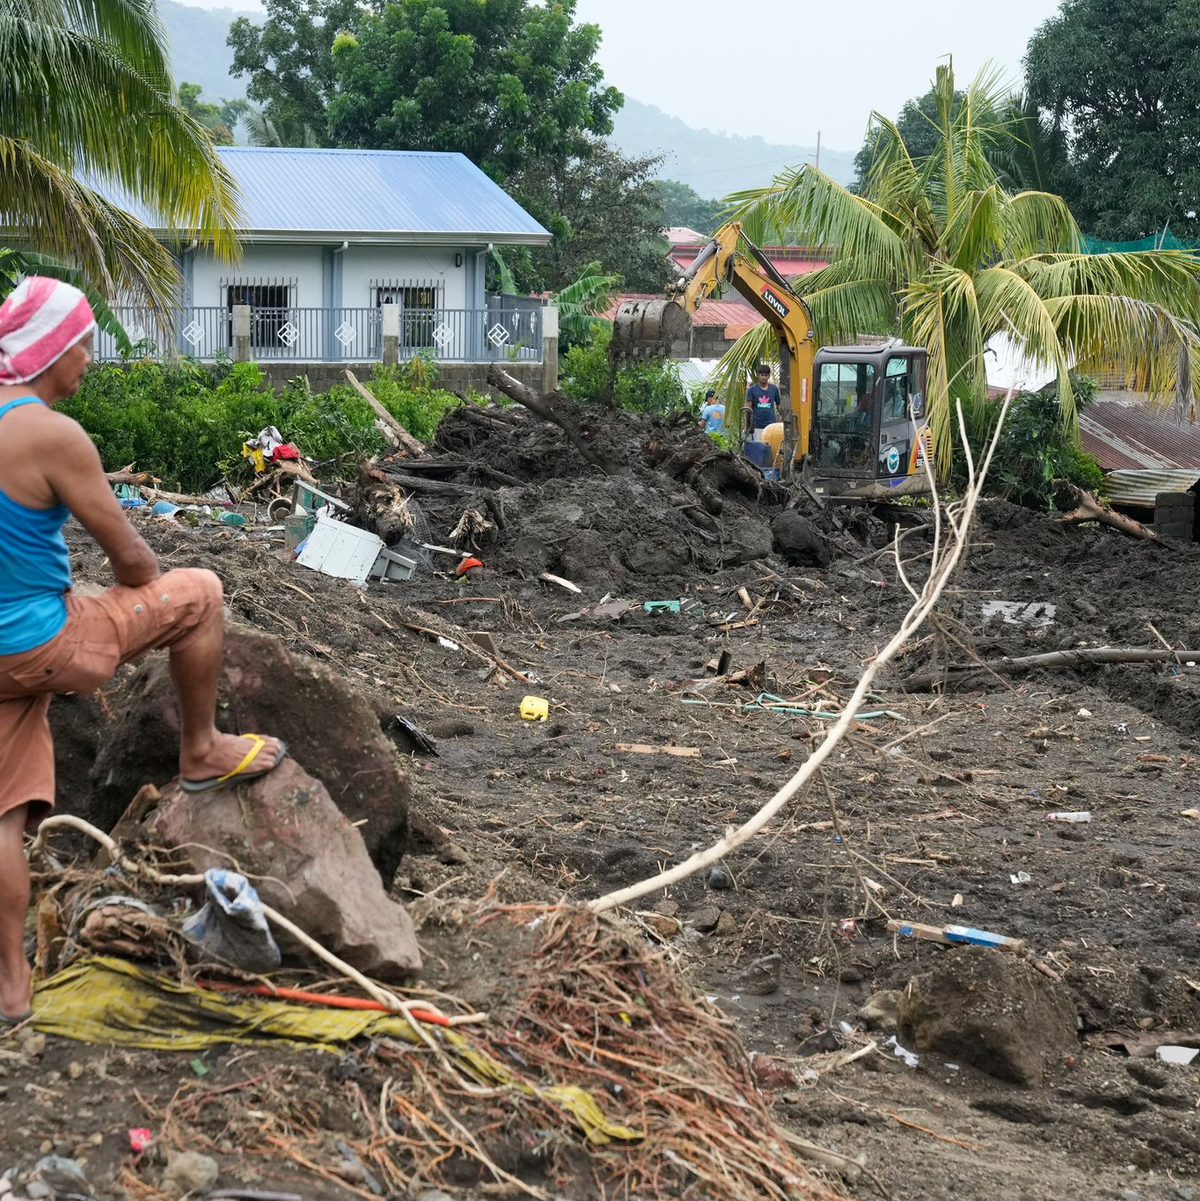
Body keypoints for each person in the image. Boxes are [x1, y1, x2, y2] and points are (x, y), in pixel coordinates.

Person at [0, 277, 287, 1024]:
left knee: (1, 820)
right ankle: (201, 749)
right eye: (84, 343)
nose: (90, 358)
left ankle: (11, 992)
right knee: (200, 594)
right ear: (52, 348)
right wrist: (106, 585)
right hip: (43, 641)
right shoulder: (51, 435)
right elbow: (135, 565)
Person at [743, 365, 781, 440]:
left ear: (769, 376)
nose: (764, 377)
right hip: (757, 426)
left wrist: (782, 419)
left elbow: (779, 405)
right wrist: (747, 426)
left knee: (770, 448)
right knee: (759, 447)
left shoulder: (774, 389)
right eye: (762, 375)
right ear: (758, 375)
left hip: (771, 425)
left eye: (766, 375)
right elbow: (748, 409)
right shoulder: (752, 390)